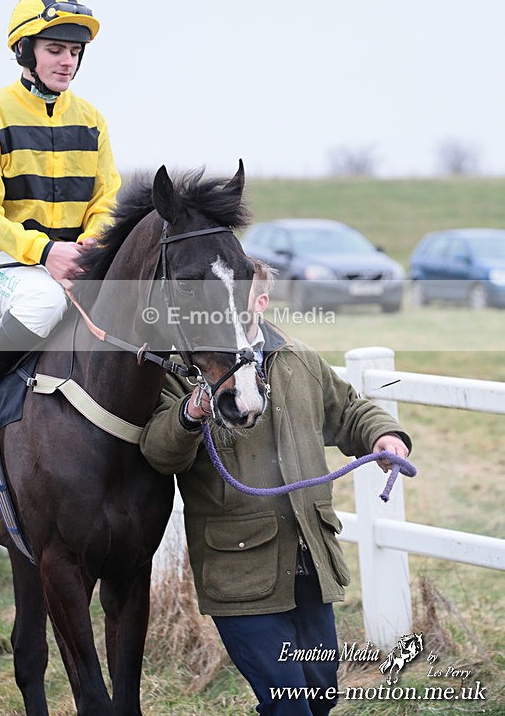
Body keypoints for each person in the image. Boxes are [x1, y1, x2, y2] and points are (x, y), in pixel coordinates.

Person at [139, 260, 412, 715]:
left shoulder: (299, 360)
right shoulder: (183, 371)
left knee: (321, 695)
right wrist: (192, 411)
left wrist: (385, 436)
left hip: (311, 562)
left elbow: (348, 412)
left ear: (260, 303)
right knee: (289, 703)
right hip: (241, 573)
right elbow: (158, 452)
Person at [0, 0, 121, 460]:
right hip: (4, 261)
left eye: (74, 52)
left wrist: (89, 246)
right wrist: (44, 253)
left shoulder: (93, 120)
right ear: (25, 51)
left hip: (75, 259)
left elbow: (107, 199)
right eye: (55, 50)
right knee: (40, 301)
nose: (67, 62)